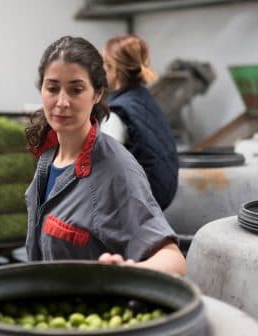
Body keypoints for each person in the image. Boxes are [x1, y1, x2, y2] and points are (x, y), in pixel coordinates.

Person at [24, 36, 186, 276]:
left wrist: (129, 271)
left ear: (97, 94)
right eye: (52, 88)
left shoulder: (115, 170)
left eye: (76, 89)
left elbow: (173, 261)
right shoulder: (48, 157)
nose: (62, 102)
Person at [101, 34, 179, 211]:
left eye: (105, 65)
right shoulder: (145, 100)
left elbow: (102, 170)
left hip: (136, 202)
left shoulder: (117, 114)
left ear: (115, 70)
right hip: (159, 196)